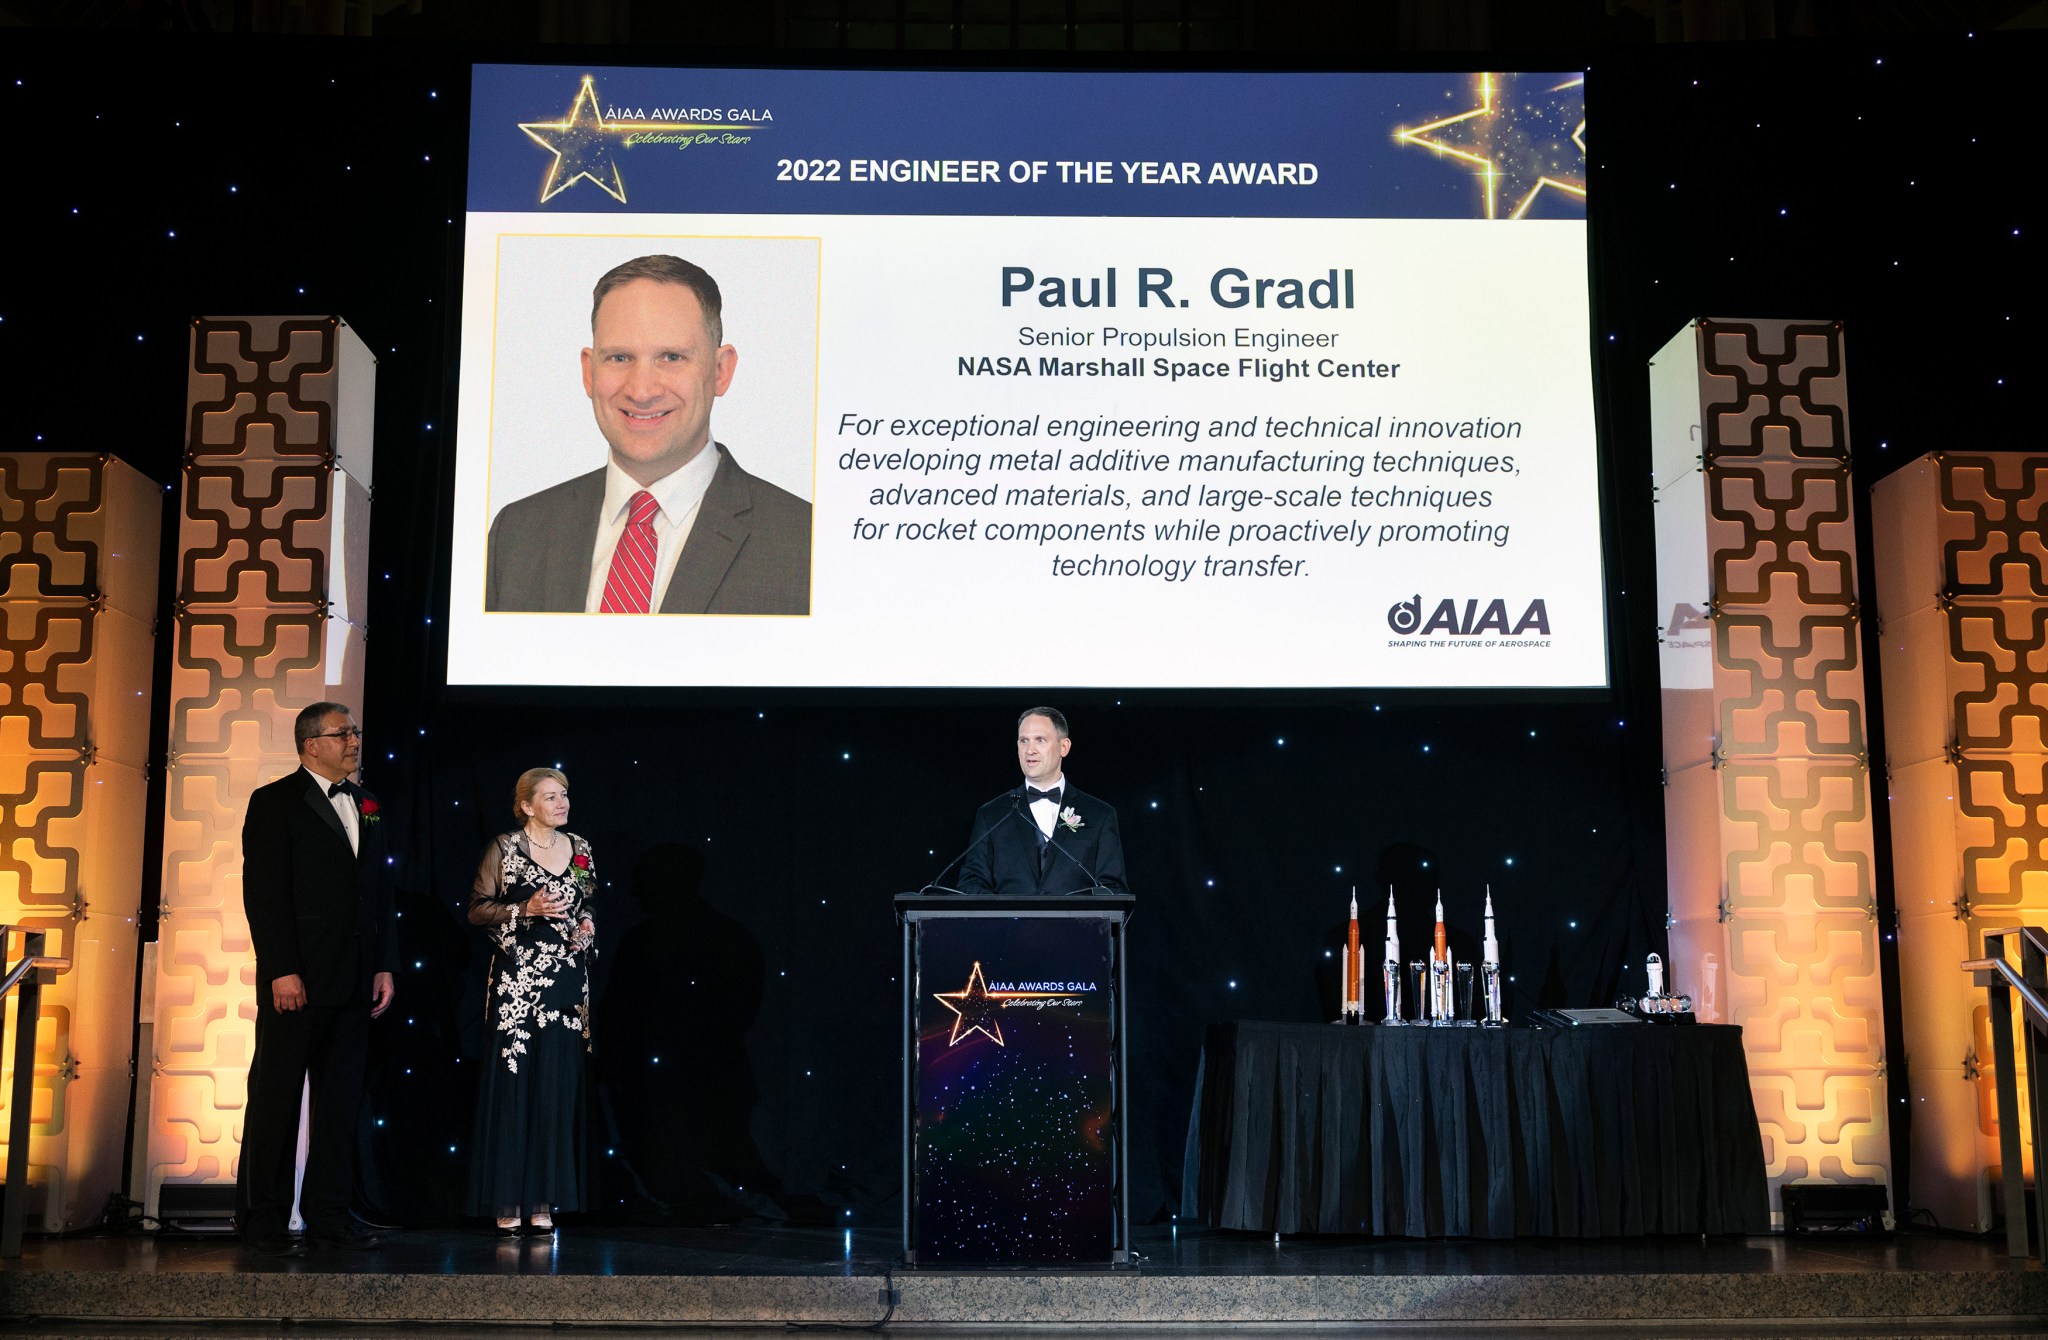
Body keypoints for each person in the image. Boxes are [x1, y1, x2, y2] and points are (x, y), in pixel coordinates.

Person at [485, 254, 813, 615]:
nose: (641, 391)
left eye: (671, 357)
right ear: (589, 372)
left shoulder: (806, 543)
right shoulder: (516, 534)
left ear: (721, 371)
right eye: (620, 358)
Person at [237, 702, 397, 1256]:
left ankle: (329, 1214)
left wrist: (383, 963)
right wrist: (282, 968)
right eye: (342, 733)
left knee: (339, 1104)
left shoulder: (369, 804)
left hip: (354, 981)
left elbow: (379, 893)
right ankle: (264, 1222)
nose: (354, 740)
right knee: (277, 1100)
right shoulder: (275, 801)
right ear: (311, 744)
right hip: (297, 982)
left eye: (354, 731)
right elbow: (264, 894)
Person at [467, 767, 596, 1235]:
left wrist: (587, 927)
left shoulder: (579, 848)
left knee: (554, 1089)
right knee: (516, 1088)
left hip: (565, 983)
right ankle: (508, 1198)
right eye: (550, 797)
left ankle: (543, 1199)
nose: (561, 803)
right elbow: (478, 909)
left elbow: (588, 903)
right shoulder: (504, 849)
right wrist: (526, 908)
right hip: (519, 986)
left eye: (564, 795)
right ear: (526, 806)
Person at [958, 707, 1130, 897]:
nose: (1030, 750)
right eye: (1024, 741)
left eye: (1040, 740)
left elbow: (1112, 890)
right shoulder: (991, 814)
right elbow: (971, 884)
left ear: (1064, 747)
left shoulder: (1100, 815)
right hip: (1008, 927)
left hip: (1078, 926)